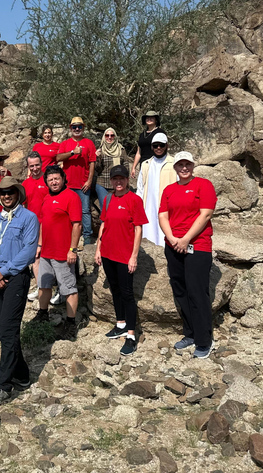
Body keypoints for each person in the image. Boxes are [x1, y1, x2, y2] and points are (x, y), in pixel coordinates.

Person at [0, 177, 39, 405]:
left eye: (10, 192)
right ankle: (23, 375)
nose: (6, 196)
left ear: (17, 193)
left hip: (15, 278)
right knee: (5, 330)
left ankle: (3, 385)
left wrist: (4, 271)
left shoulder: (29, 218)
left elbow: (29, 250)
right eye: (2, 193)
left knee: (8, 331)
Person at [158, 151, 217, 359]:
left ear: (193, 166)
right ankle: (190, 333)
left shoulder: (203, 185)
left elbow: (206, 214)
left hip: (197, 246)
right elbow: (162, 215)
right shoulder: (169, 190)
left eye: (188, 164)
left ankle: (204, 340)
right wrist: (173, 238)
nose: (184, 168)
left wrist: (186, 239)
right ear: (175, 167)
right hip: (173, 245)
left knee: (197, 292)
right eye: (180, 164)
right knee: (180, 290)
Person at [94, 165, 149, 356]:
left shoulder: (134, 200)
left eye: (122, 179)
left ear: (127, 180)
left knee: (127, 293)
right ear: (111, 181)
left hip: (124, 255)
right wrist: (98, 249)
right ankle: (120, 324)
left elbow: (138, 229)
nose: (118, 182)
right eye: (115, 179)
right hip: (108, 253)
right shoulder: (108, 199)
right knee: (115, 289)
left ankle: (131, 335)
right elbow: (104, 224)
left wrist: (134, 256)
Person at [33, 165, 83, 341]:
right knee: (44, 284)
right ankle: (42, 313)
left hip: (63, 252)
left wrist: (73, 249)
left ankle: (71, 323)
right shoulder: (46, 197)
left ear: (63, 179)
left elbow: (77, 224)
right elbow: (43, 223)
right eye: (50, 179)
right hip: (46, 250)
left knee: (69, 288)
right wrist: (39, 244)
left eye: (57, 178)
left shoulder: (72, 197)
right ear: (46, 181)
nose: (54, 182)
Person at [56, 117, 96, 245]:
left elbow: (92, 163)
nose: (77, 129)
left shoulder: (89, 143)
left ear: (83, 128)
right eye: (74, 127)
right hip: (67, 184)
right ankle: (66, 236)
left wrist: (89, 181)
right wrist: (73, 152)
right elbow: (58, 158)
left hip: (82, 184)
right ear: (70, 128)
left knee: (85, 211)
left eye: (79, 126)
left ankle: (88, 238)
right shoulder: (65, 144)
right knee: (66, 211)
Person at [22, 152, 52, 303]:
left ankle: (56, 289)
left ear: (42, 164)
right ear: (28, 166)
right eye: (31, 165)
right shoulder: (25, 184)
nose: (34, 168)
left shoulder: (48, 180)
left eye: (37, 165)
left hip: (49, 224)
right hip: (33, 226)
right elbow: (22, 206)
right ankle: (41, 287)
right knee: (36, 258)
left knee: (52, 257)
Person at [136, 132, 176, 246]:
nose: (158, 148)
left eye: (161, 145)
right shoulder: (146, 164)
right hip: (148, 206)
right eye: (155, 145)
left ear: (167, 146)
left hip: (168, 206)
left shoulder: (174, 163)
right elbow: (140, 188)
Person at [94, 127, 129, 210]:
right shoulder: (100, 150)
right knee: (106, 208)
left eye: (112, 135)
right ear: (104, 137)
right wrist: (97, 158)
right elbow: (97, 169)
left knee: (118, 207)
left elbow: (126, 165)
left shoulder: (121, 150)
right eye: (107, 135)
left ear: (115, 137)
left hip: (118, 182)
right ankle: (104, 223)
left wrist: (127, 181)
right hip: (103, 183)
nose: (109, 137)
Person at [130, 111, 166, 178]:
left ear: (156, 120)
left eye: (152, 117)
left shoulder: (160, 133)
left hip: (156, 163)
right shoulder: (142, 135)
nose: (149, 119)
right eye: (147, 118)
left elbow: (164, 148)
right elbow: (139, 152)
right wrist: (133, 167)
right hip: (144, 164)